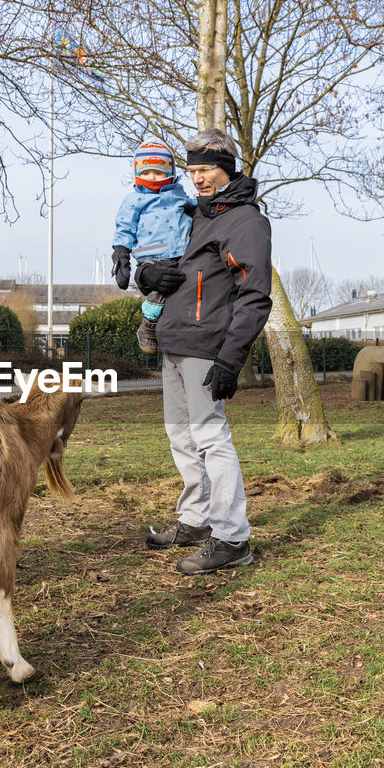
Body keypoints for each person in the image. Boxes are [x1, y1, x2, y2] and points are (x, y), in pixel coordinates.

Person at [136, 129, 272, 575]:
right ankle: (195, 519)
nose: (197, 179)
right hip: (172, 342)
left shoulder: (245, 222)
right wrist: (148, 273)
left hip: (207, 346)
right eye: (192, 171)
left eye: (206, 170)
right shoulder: (191, 213)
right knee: (181, 436)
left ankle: (232, 537)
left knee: (211, 437)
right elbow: (160, 254)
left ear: (227, 168)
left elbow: (254, 295)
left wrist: (232, 357)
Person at [110, 138, 195, 354]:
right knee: (159, 289)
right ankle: (148, 323)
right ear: (138, 173)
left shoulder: (179, 194)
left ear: (171, 172)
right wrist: (121, 253)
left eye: (158, 172)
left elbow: (194, 206)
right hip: (152, 254)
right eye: (147, 173)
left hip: (182, 252)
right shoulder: (134, 200)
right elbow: (125, 227)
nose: (153, 177)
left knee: (183, 286)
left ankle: (175, 327)